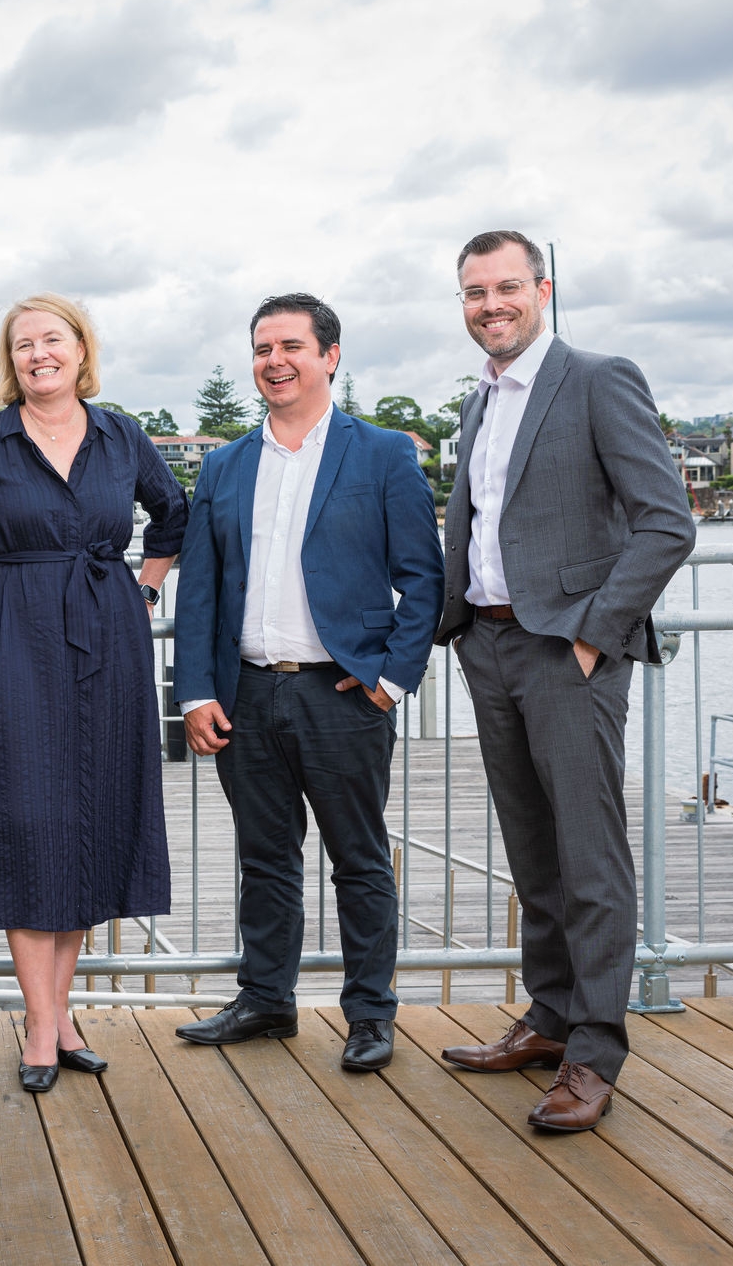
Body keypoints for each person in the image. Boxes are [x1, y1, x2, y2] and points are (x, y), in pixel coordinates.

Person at [433, 231, 693, 1131]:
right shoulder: (479, 401)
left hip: (565, 653)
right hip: (492, 646)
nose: (490, 304)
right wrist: (456, 625)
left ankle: (593, 1051)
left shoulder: (596, 377)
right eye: (474, 291)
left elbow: (668, 523)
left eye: (506, 287)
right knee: (534, 853)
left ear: (542, 290)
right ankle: (547, 1019)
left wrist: (592, 635)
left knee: (589, 859)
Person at [172, 293, 444, 1071]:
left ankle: (369, 1015)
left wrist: (392, 680)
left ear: (330, 355)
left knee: (358, 858)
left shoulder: (383, 453)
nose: (275, 360)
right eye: (262, 347)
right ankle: (266, 998)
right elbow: (201, 589)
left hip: (343, 693)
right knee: (265, 858)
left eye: (292, 345)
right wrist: (196, 691)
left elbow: (423, 579)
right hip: (246, 694)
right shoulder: (224, 464)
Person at [0, 294, 187, 1093]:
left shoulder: (120, 435)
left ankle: (57, 1013)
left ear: (80, 348)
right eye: (24, 343)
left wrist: (142, 592)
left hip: (109, 641)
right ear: (13, 360)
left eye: (53, 339)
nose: (39, 353)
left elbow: (174, 514)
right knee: (25, 823)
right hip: (16, 647)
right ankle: (42, 1021)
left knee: (86, 822)